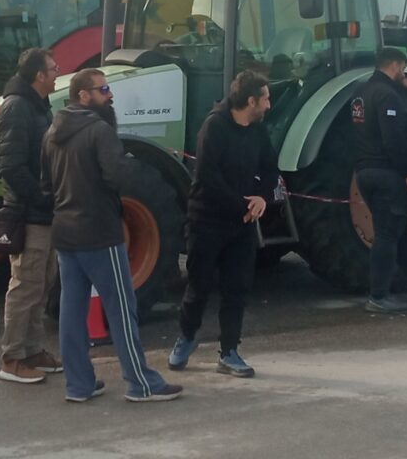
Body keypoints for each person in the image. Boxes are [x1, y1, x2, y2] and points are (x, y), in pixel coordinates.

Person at [41, 68, 182, 403]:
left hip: (65, 233)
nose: (110, 95)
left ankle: (79, 385)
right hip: (100, 233)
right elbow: (118, 177)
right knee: (121, 309)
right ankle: (141, 384)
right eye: (103, 90)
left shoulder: (52, 132)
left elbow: (46, 184)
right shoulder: (99, 131)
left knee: (71, 311)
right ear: (83, 95)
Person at [167, 70, 278, 378]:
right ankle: (186, 337)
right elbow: (207, 177)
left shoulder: (258, 130)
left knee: (237, 289)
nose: (269, 105)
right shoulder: (214, 127)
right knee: (199, 286)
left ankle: (229, 351)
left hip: (242, 224)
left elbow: (270, 168)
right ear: (251, 101)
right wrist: (243, 206)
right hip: (208, 220)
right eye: (266, 99)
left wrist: (262, 198)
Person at [351, 46, 407, 314]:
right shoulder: (387, 96)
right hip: (389, 175)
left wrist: (402, 86)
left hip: (364, 173)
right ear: (397, 65)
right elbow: (394, 139)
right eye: (404, 68)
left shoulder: (361, 93)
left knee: (402, 234)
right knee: (387, 236)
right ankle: (378, 296)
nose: (404, 73)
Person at [0, 47, 61, 383]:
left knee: (42, 284)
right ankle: (12, 358)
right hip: (29, 213)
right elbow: (11, 166)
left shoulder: (39, 105)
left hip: (44, 212)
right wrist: (41, 198)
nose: (57, 73)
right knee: (25, 286)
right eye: (53, 68)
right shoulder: (18, 107)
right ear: (39, 75)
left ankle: (34, 350)